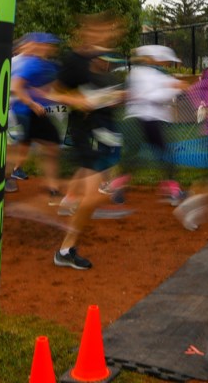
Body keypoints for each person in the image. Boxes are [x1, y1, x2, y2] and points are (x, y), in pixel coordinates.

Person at [47, 14, 127, 270]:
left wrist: (116, 96)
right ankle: (65, 248)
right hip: (86, 134)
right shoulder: (74, 60)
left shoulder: (105, 60)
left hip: (103, 132)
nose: (104, 35)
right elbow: (54, 92)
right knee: (93, 196)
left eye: (108, 30)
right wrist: (76, 101)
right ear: (86, 31)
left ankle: (67, 242)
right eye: (99, 30)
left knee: (95, 195)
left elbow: (102, 94)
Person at [123, 44, 187, 205]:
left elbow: (173, 88)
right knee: (160, 154)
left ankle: (118, 186)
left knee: (142, 155)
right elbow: (151, 96)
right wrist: (172, 89)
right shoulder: (140, 73)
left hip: (153, 118)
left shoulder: (156, 73)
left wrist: (177, 88)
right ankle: (172, 189)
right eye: (165, 60)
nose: (167, 63)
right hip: (144, 118)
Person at [5, 32, 62, 198]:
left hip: (38, 113)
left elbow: (53, 89)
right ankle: (5, 179)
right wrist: (32, 102)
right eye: (45, 43)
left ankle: (53, 187)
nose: (49, 47)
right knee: (15, 151)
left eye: (51, 44)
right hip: (21, 112)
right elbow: (16, 86)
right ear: (36, 45)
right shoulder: (28, 63)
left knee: (52, 146)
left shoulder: (50, 66)